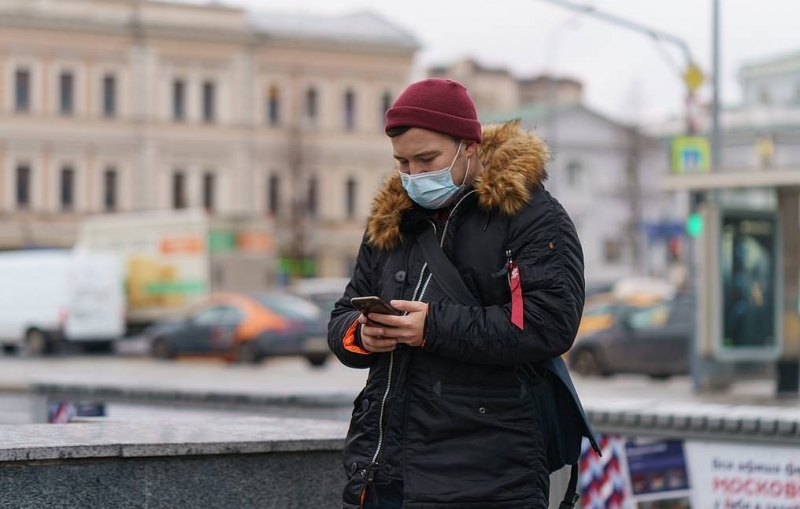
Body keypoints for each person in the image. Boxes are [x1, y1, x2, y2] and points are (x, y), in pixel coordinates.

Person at [328, 78, 586, 509]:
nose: (413, 175)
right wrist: (361, 334)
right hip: (383, 471)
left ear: (470, 145)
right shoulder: (392, 221)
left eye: (427, 159)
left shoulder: (531, 216)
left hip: (485, 475)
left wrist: (432, 327)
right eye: (403, 163)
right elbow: (342, 314)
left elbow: (548, 325)